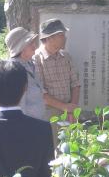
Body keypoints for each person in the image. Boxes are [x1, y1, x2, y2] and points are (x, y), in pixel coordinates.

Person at [33, 18, 81, 148]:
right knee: (52, 149)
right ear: (49, 38)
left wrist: (72, 108)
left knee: (70, 149)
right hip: (49, 112)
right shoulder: (36, 59)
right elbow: (41, 93)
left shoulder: (66, 56)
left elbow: (75, 84)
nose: (65, 38)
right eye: (61, 35)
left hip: (70, 111)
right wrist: (64, 107)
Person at [5, 27, 46, 120]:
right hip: (27, 126)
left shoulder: (29, 63)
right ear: (21, 48)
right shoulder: (14, 70)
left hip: (36, 123)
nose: (35, 46)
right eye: (30, 43)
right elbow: (19, 107)